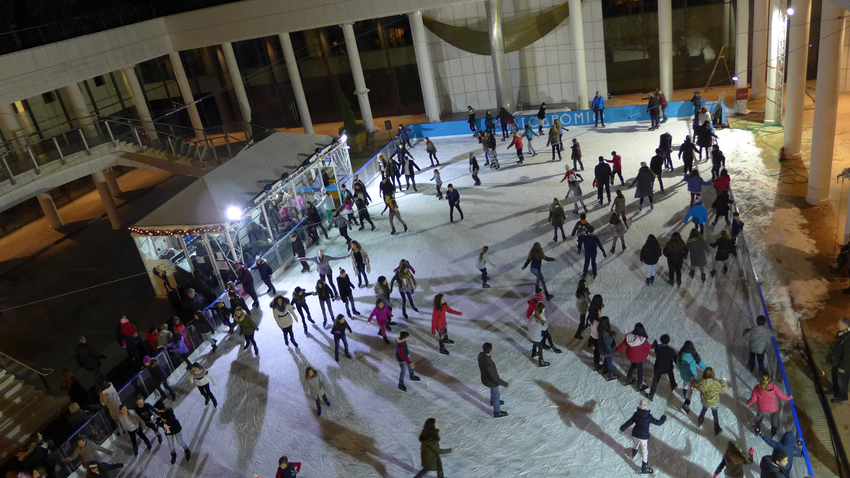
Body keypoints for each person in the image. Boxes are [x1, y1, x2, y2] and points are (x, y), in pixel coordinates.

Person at [620, 399, 666, 475]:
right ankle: (644, 468)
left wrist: (622, 428)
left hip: (635, 434)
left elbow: (629, 422)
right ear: (646, 407)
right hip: (643, 437)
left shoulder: (636, 414)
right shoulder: (648, 416)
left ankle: (633, 453)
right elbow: (658, 423)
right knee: (644, 451)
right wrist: (663, 418)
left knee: (635, 443)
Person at [747, 371, 792, 438]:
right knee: (774, 421)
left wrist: (748, 403)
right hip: (773, 408)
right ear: (769, 379)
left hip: (761, 408)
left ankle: (757, 429)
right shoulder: (774, 387)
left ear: (761, 379)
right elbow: (782, 396)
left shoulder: (757, 388)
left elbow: (753, 399)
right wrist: (789, 397)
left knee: (758, 419)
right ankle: (774, 433)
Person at [616, 323, 652, 391]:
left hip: (631, 357)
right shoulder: (643, 340)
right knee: (640, 370)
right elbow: (649, 347)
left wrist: (615, 350)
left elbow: (621, 346)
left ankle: (628, 379)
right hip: (638, 358)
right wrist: (655, 344)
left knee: (633, 366)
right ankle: (639, 385)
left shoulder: (628, 337)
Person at [692, 367, 728, 435]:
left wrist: (693, 381)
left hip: (705, 401)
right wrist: (724, 381)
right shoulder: (716, 383)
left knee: (704, 409)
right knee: (715, 415)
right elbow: (724, 390)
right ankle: (716, 428)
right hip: (714, 402)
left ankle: (700, 420)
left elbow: (694, 387)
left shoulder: (702, 383)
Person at [153, 400, 191, 464]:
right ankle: (173, 454)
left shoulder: (169, 413)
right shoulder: (161, 413)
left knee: (180, 442)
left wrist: (156, 422)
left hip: (176, 429)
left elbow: (167, 423)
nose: (155, 410)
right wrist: (157, 419)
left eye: (156, 409)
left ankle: (187, 450)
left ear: (160, 408)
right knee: (170, 444)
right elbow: (162, 420)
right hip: (168, 431)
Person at [478, 342, 509, 417]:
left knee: (493, 393)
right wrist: (505, 384)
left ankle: (493, 402)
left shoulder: (480, 355)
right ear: (491, 350)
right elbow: (495, 378)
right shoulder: (490, 364)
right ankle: (497, 412)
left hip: (485, 378)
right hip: (491, 381)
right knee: (496, 395)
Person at [678, 340, 707, 413]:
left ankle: (684, 392)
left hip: (683, 373)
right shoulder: (694, 355)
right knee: (690, 390)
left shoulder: (680, 354)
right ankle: (686, 404)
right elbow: (701, 365)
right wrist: (708, 370)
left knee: (685, 381)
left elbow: (678, 364)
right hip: (692, 375)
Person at [646, 334, 677, 401]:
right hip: (668, 367)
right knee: (671, 374)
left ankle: (651, 394)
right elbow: (675, 359)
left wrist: (656, 344)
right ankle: (673, 384)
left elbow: (657, 350)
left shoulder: (657, 348)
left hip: (659, 367)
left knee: (655, 380)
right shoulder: (671, 350)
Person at [827, 317, 850, 403]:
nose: (837, 326)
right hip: (836, 362)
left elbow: (848, 355)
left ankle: (843, 396)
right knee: (835, 378)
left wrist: (843, 367)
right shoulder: (842, 333)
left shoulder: (848, 337)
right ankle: (835, 390)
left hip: (843, 366)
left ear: (846, 325)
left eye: (839, 325)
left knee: (842, 382)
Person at [528, 302, 551, 368]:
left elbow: (528, 324)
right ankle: (541, 361)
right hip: (536, 337)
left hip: (531, 334)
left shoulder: (532, 317)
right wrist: (546, 323)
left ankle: (534, 353)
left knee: (535, 343)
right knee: (540, 347)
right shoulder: (539, 322)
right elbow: (545, 328)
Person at [598, 316, 618, 381]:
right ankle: (610, 374)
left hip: (602, 348)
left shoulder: (600, 329)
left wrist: (611, 333)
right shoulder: (605, 334)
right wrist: (613, 352)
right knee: (609, 361)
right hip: (607, 350)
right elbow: (607, 345)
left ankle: (604, 368)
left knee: (607, 358)